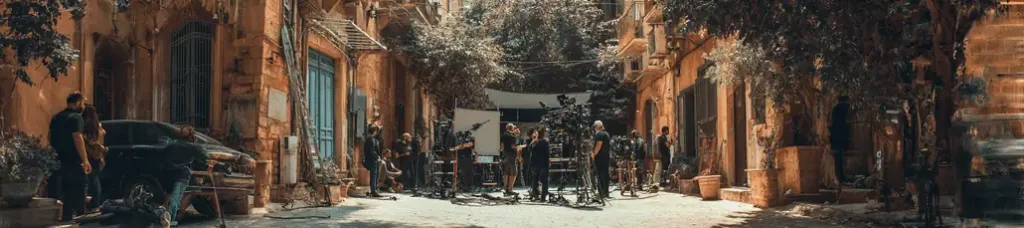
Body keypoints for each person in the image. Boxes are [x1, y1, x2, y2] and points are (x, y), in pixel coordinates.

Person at [48, 92, 91, 222]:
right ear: (77, 103)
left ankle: (59, 216)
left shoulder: (56, 117)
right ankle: (77, 216)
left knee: (57, 189)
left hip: (57, 158)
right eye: (82, 103)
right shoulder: (76, 118)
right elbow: (77, 137)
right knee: (75, 188)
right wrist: (85, 159)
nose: (83, 106)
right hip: (72, 159)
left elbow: (49, 136)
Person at [163, 125, 210, 226]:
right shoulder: (193, 147)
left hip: (167, 173)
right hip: (182, 175)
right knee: (176, 198)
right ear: (191, 135)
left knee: (167, 197)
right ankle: (171, 220)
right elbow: (204, 159)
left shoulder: (171, 144)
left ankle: (164, 215)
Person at [81, 105, 108, 211]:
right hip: (98, 157)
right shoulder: (98, 126)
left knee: (88, 182)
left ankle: (89, 204)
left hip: (88, 155)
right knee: (94, 181)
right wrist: (102, 151)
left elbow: (90, 141)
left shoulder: (85, 125)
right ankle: (94, 204)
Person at [830, 96, 851, 201]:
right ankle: (841, 178)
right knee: (840, 160)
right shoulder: (844, 109)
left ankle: (840, 178)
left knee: (838, 160)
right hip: (840, 139)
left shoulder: (836, 109)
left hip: (836, 139)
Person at [590, 121, 612, 199]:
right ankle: (605, 192)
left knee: (600, 174)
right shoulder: (606, 134)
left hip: (600, 157)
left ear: (596, 127)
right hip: (605, 156)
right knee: (605, 174)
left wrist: (593, 154)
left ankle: (601, 192)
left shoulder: (599, 134)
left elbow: (598, 146)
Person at [529, 128, 551, 201]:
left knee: (535, 180)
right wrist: (549, 161)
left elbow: (529, 150)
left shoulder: (533, 142)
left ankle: (535, 195)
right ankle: (543, 197)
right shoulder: (545, 142)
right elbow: (547, 153)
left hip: (534, 163)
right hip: (543, 163)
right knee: (544, 180)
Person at [363, 124, 383, 197]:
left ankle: (375, 189)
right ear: (374, 131)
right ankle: (373, 190)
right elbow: (372, 151)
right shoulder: (370, 139)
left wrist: (379, 128)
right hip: (372, 160)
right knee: (374, 175)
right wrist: (377, 157)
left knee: (376, 174)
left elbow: (379, 135)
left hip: (374, 160)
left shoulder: (373, 138)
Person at [500, 124, 520, 196]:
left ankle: (505, 188)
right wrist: (519, 147)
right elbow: (513, 146)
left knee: (506, 172)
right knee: (514, 172)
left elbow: (501, 147)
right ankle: (510, 189)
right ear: (512, 128)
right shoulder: (512, 136)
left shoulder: (503, 135)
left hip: (505, 155)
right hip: (511, 155)